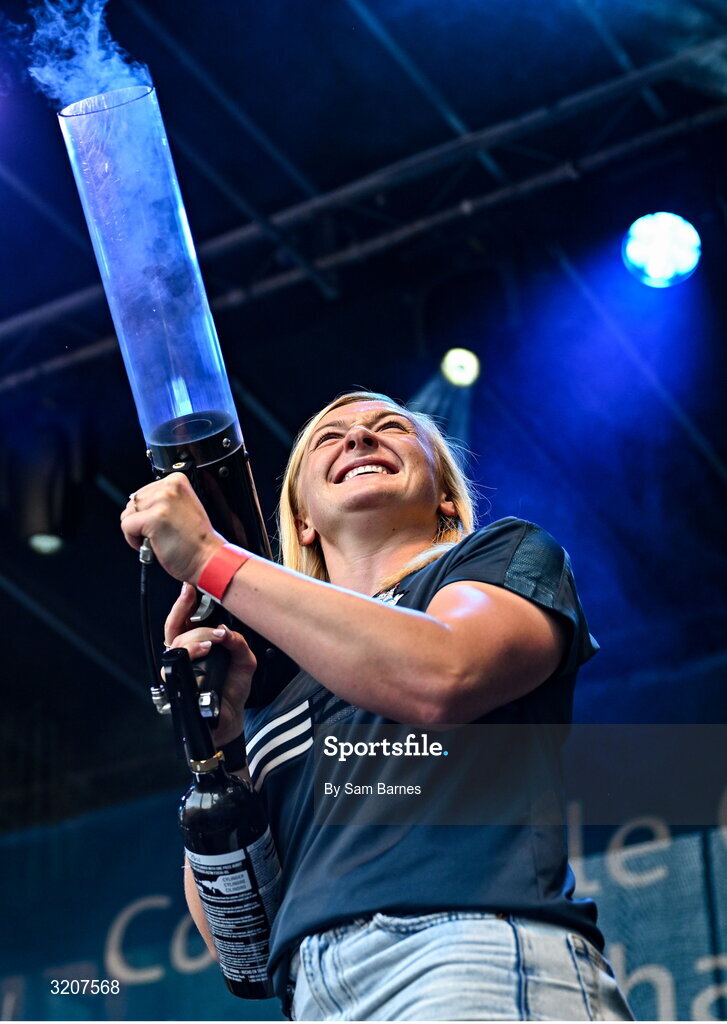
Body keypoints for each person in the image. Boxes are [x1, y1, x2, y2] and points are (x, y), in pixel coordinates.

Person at [120, 390, 633, 1021]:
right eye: (329, 439)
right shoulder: (274, 685)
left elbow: (443, 673)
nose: (359, 439)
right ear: (304, 520)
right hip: (316, 995)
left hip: (469, 954)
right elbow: (245, 947)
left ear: (445, 496)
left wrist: (211, 557)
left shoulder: (501, 558)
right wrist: (219, 750)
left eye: (389, 427)